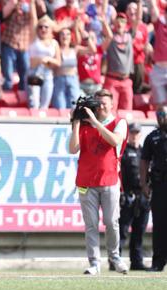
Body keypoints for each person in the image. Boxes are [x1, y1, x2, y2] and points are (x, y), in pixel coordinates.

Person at [68, 88, 129, 275]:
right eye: (98, 103)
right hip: (86, 181)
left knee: (111, 222)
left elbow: (114, 141)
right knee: (91, 224)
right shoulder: (85, 125)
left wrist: (95, 122)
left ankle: (114, 257)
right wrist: (76, 122)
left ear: (112, 105)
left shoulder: (120, 123)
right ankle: (94, 263)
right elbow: (73, 149)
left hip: (109, 180)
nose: (101, 106)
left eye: (104, 103)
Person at [117, 122, 149, 271]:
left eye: (137, 133)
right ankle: (115, 261)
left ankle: (137, 262)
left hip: (142, 198)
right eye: (132, 132)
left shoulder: (145, 152)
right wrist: (121, 193)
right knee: (122, 231)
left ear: (140, 134)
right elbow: (119, 174)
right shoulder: (123, 152)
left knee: (139, 232)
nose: (134, 135)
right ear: (128, 134)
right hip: (127, 197)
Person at [140, 105, 167, 272]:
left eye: (163, 113)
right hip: (160, 185)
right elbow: (144, 162)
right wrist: (143, 183)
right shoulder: (152, 137)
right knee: (159, 225)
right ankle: (158, 262)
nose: (160, 116)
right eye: (158, 114)